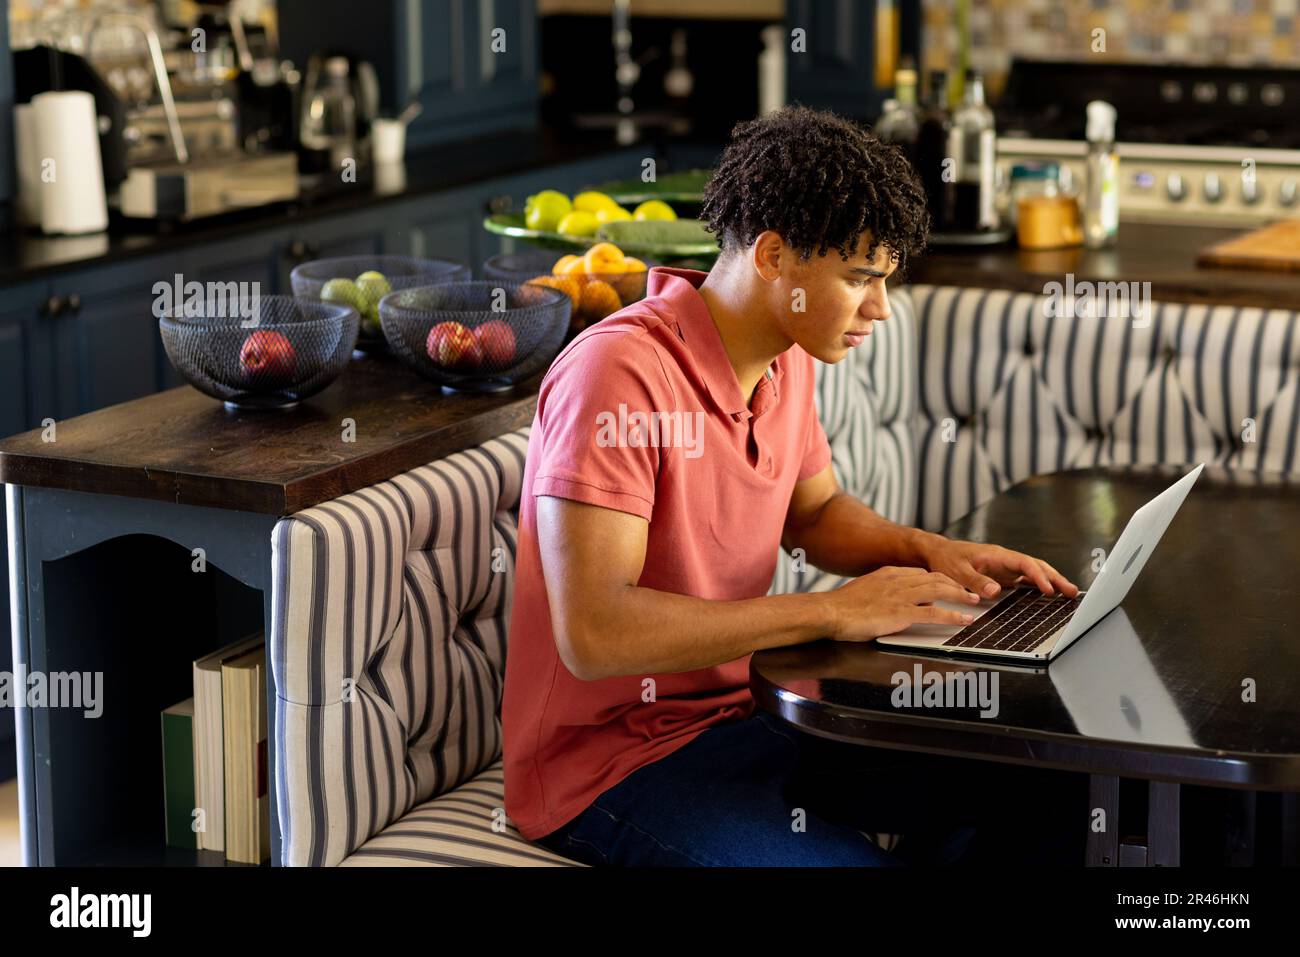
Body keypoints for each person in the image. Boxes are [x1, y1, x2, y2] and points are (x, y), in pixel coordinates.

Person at [502, 105, 1086, 866]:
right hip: (617, 765)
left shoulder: (787, 352)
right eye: (860, 278)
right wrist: (832, 610)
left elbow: (815, 514)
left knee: (1052, 789)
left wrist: (937, 551)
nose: (880, 307)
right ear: (774, 255)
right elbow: (595, 631)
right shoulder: (617, 375)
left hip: (757, 717)